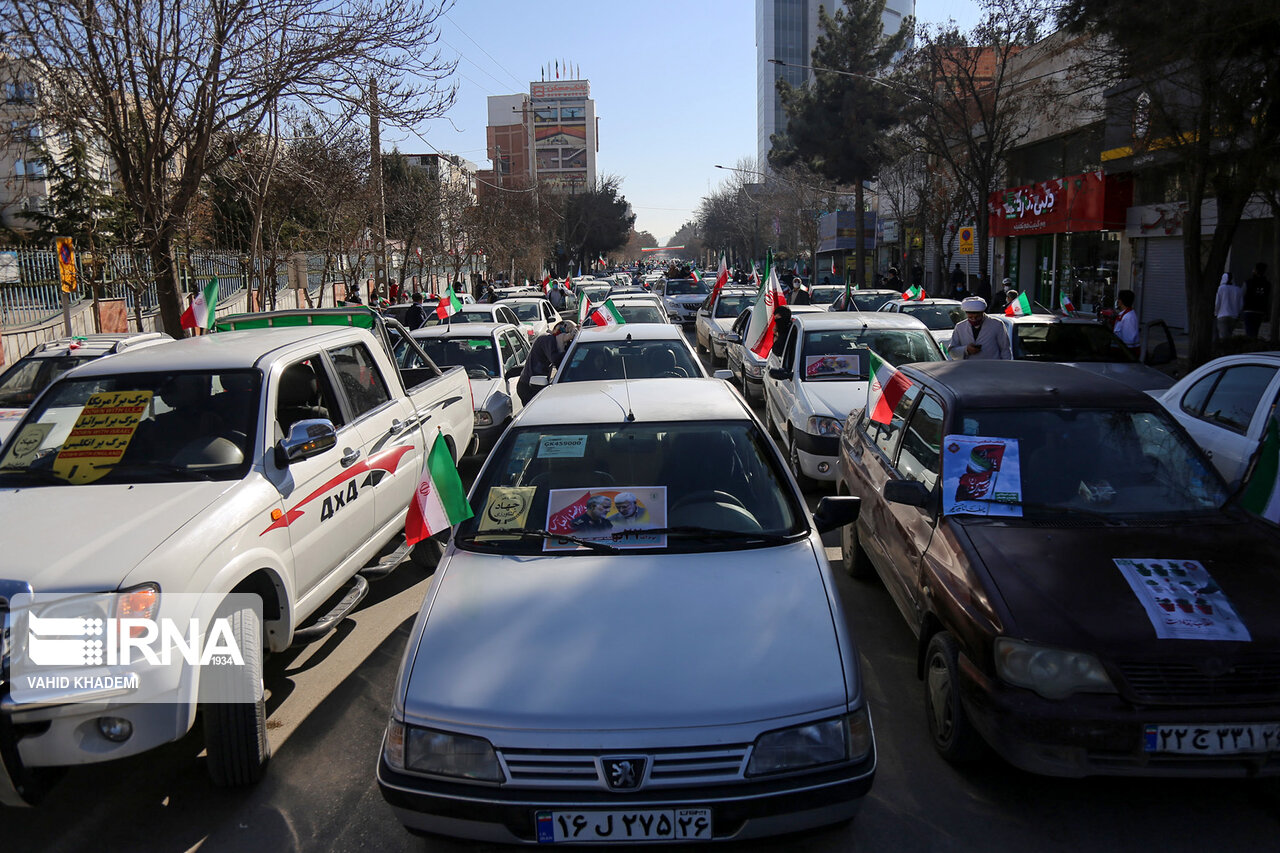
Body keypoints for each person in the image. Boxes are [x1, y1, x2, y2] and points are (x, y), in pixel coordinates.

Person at [517, 319, 578, 405]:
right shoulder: (547, 339)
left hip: (537, 385)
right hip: (529, 386)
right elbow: (557, 361)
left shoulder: (551, 341)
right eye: (564, 338)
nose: (564, 343)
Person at [948, 296, 1012, 360]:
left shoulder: (997, 324)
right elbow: (952, 351)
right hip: (969, 368)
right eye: (971, 317)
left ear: (983, 313)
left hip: (992, 367)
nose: (974, 319)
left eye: (977, 317)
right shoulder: (960, 327)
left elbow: (1005, 350)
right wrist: (966, 349)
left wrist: (1005, 367)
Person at [1243, 262, 1271, 339]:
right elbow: (1267, 298)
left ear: (1255, 270)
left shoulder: (1248, 282)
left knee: (1249, 332)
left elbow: (1242, 295)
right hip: (1260, 311)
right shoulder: (1267, 284)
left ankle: (1250, 346)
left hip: (1248, 310)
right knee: (1255, 331)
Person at [1215, 272, 1243, 340]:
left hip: (1222, 315)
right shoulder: (1238, 289)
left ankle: (1224, 349)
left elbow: (1217, 303)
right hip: (1233, 316)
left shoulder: (1220, 289)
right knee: (1229, 335)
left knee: (1223, 337)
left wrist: (1215, 313)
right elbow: (1241, 304)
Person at [1114, 289, 1140, 355]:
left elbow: (1129, 341)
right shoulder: (1124, 315)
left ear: (1120, 301)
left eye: (1118, 299)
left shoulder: (1128, 317)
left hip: (1126, 353)